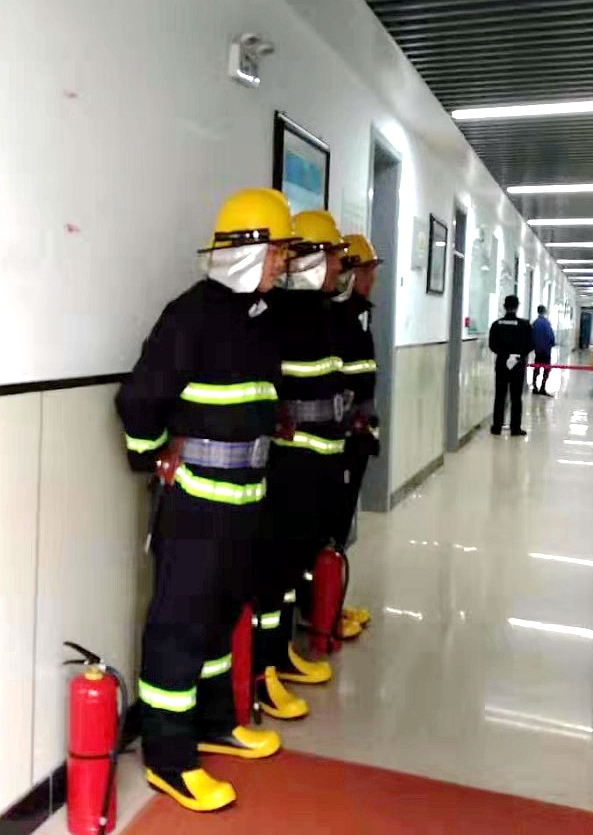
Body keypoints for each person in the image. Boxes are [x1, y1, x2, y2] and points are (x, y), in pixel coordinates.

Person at [115, 188, 296, 812]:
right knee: (180, 625)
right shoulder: (190, 315)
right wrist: (153, 456)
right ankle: (169, 758)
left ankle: (215, 723)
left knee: (221, 617)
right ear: (245, 249)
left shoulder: (261, 319)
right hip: (196, 506)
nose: (283, 263)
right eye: (276, 251)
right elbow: (138, 401)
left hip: (245, 503)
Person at [251, 209, 360, 723]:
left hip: (318, 466)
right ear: (311, 259)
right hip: (288, 469)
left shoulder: (319, 314)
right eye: (333, 257)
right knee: (273, 572)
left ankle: (281, 653)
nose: (339, 267)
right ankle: (264, 668)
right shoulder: (278, 314)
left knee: (294, 566)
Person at [329, 233, 382, 631]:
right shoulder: (336, 321)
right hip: (341, 439)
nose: (371, 279)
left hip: (356, 435)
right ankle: (323, 614)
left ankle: (332, 605)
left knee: (341, 522)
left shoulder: (357, 318)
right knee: (332, 524)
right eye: (366, 271)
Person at [489, 295, 534, 437]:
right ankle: (515, 428)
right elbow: (531, 345)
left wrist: (504, 354)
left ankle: (497, 427)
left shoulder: (497, 324)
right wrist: (518, 355)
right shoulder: (524, 325)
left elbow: (492, 345)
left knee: (500, 395)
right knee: (516, 396)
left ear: (504, 306)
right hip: (518, 364)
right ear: (517, 307)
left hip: (501, 363)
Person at [532, 304, 556, 396]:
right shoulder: (547, 323)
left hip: (538, 351)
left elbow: (532, 336)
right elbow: (551, 336)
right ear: (545, 311)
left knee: (536, 369)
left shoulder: (535, 323)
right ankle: (542, 388)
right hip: (546, 351)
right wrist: (552, 344)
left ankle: (535, 387)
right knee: (546, 370)